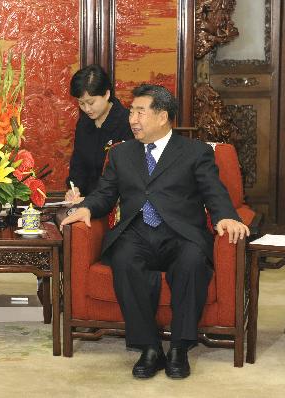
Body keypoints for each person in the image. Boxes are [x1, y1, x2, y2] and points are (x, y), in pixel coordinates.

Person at [61, 84, 249, 380]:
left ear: (162, 116)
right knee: (123, 260)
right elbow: (105, 193)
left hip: (181, 233)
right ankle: (149, 347)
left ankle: (179, 348)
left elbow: (214, 191)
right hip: (137, 232)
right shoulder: (122, 154)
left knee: (191, 263)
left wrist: (225, 216)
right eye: (132, 111)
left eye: (140, 112)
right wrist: (87, 208)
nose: (132, 119)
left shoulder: (194, 152)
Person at [65, 64, 133, 203]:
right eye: (81, 103)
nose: (87, 109)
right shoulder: (84, 124)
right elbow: (78, 164)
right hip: (87, 201)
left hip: (117, 204)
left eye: (91, 102)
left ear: (107, 94)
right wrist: (75, 189)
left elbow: (126, 176)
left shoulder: (127, 123)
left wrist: (94, 201)